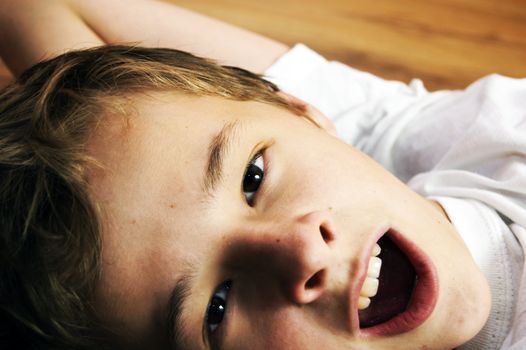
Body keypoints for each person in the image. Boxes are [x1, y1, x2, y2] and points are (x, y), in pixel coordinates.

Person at [0, 0, 524, 349]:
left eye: (252, 178)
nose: (302, 250)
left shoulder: (492, 135)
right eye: (217, 309)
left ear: (306, 111)